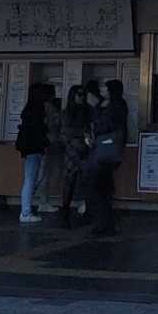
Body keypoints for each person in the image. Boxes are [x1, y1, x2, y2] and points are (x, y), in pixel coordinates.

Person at [84, 78, 128, 236]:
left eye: (105, 88)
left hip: (104, 151)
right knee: (104, 187)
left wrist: (96, 109)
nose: (103, 90)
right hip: (110, 151)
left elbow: (103, 125)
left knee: (98, 187)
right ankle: (107, 223)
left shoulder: (113, 106)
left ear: (111, 90)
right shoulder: (119, 104)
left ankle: (103, 224)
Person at [59, 81, 97, 227]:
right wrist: (83, 134)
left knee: (86, 181)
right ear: (73, 96)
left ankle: (85, 210)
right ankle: (65, 210)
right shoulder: (67, 113)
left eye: (84, 95)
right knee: (70, 182)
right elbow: (64, 131)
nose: (82, 97)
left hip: (83, 149)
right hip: (73, 150)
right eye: (79, 94)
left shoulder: (89, 110)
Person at [15, 83, 52, 224]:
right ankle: (25, 212)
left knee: (32, 178)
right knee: (31, 179)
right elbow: (39, 131)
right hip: (34, 148)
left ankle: (26, 209)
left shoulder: (28, 109)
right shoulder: (37, 111)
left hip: (29, 148)